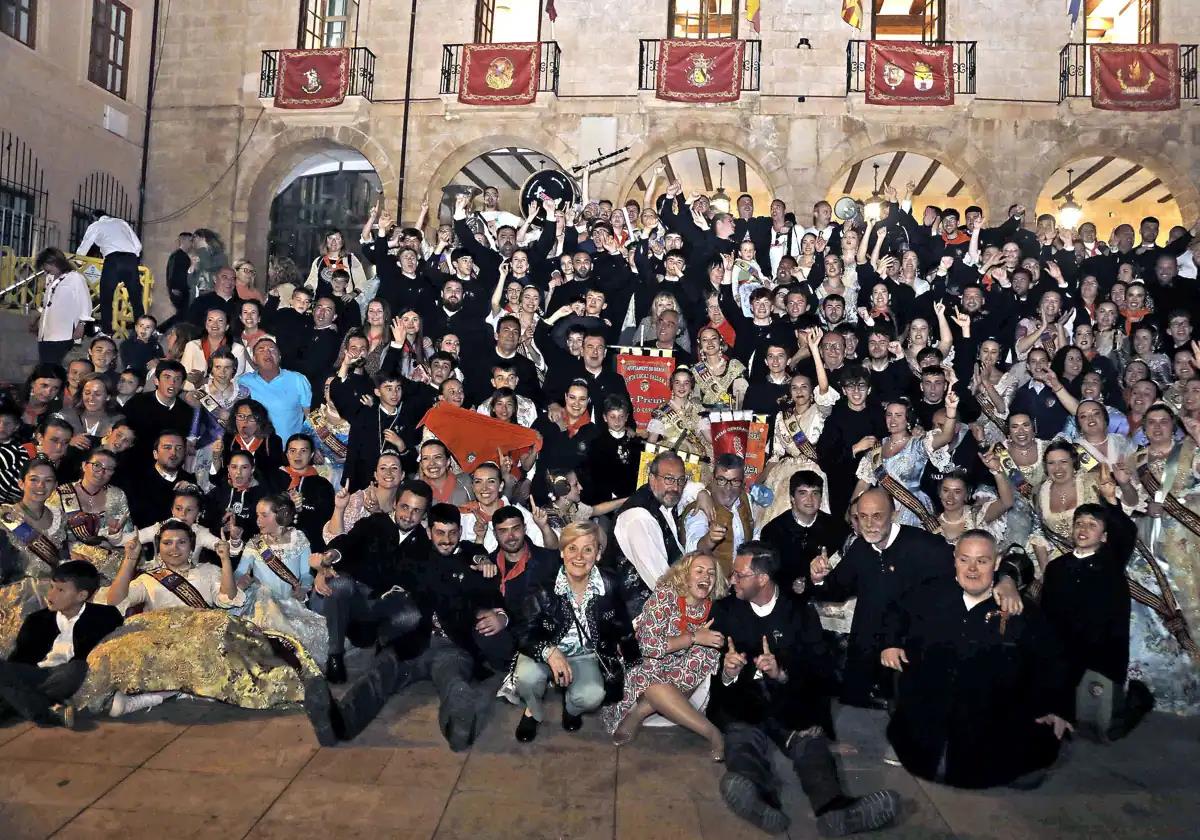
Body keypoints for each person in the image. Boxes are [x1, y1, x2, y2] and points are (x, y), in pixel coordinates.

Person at [709, 541, 900, 836]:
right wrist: (728, 672)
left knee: (811, 746)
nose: (732, 579)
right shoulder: (725, 610)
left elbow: (820, 671)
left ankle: (835, 812)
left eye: (739, 574)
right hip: (745, 703)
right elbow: (715, 672)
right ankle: (760, 802)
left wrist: (781, 672)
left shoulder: (800, 613)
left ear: (762, 578)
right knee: (741, 742)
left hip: (789, 703)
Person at [882, 530, 1073, 789]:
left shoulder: (1021, 611)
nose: (972, 569)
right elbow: (896, 611)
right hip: (933, 706)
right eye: (964, 560)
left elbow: (1053, 659)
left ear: (996, 563)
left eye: (982, 561)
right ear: (954, 560)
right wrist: (891, 643)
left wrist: (1057, 706)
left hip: (991, 718)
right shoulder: (931, 593)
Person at [507, 521, 635, 743]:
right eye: (572, 548)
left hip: (585, 653)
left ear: (598, 554)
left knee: (592, 696)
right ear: (562, 552)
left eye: (588, 549)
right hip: (545, 650)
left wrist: (632, 658)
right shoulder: (542, 583)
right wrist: (549, 652)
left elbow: (622, 622)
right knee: (526, 678)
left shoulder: (610, 583)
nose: (579, 556)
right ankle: (533, 712)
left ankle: (571, 709)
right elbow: (522, 630)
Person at [606, 551, 728, 758]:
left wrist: (717, 641)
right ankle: (712, 733)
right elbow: (648, 646)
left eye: (711, 574)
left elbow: (721, 642)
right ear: (685, 575)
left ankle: (642, 711)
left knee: (708, 653)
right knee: (655, 685)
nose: (705, 578)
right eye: (699, 571)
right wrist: (694, 637)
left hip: (681, 669)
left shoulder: (715, 607)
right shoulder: (666, 595)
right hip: (648, 663)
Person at [309, 479, 431, 683]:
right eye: (404, 507)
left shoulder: (424, 545)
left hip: (385, 605)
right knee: (340, 584)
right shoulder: (374, 523)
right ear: (395, 504)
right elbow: (347, 543)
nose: (408, 516)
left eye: (416, 511)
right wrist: (331, 556)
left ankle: (379, 650)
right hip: (353, 597)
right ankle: (335, 655)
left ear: (424, 515)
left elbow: (417, 584)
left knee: (411, 616)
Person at [0, 560, 122, 728]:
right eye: (51, 587)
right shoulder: (37, 620)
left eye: (60, 590)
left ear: (82, 595)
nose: (50, 595)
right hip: (36, 674)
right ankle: (48, 712)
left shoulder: (104, 617)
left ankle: (19, 704)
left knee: (77, 668)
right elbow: (19, 661)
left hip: (66, 675)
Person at [758, 470, 844, 595]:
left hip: (825, 595)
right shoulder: (773, 531)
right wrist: (791, 584)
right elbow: (770, 573)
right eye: (803, 493)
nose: (810, 499)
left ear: (821, 498)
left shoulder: (836, 528)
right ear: (792, 498)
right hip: (785, 598)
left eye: (815, 493)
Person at [76, 209, 143, 334]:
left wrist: (79, 262)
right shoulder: (121, 222)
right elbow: (138, 245)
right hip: (131, 260)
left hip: (113, 261)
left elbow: (85, 245)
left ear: (94, 218)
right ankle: (143, 332)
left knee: (106, 297)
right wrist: (133, 256)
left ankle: (107, 332)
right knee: (136, 299)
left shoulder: (96, 225)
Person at [238, 337, 313, 440]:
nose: (267, 352)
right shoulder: (244, 381)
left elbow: (311, 416)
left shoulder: (298, 379)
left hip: (289, 449)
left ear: (280, 357)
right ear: (254, 359)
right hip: (257, 448)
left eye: (272, 349)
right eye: (261, 349)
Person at [32, 248, 92, 365]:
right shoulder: (50, 279)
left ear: (55, 262)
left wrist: (81, 325)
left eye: (46, 265)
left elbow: (86, 304)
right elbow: (48, 305)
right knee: (44, 364)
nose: (45, 269)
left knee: (53, 365)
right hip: (45, 334)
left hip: (63, 334)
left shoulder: (75, 278)